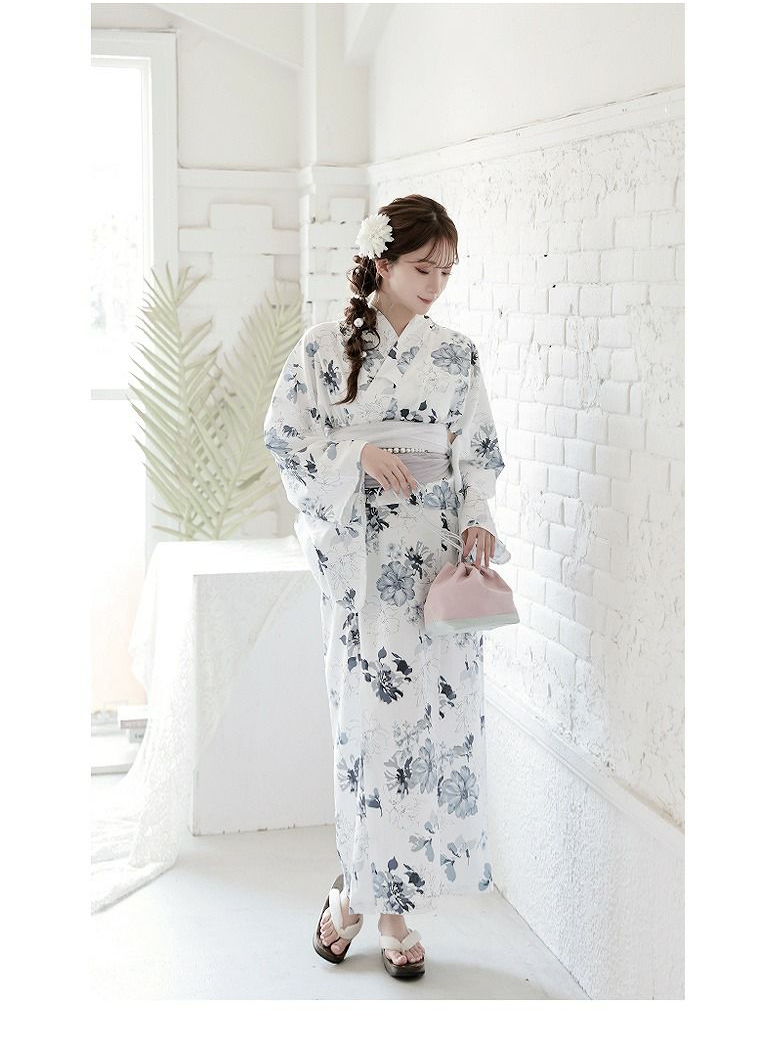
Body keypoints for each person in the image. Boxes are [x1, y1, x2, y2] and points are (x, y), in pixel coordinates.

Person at [262, 194, 510, 977]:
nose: (436, 284)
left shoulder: (456, 355)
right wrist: (357, 455)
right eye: (422, 268)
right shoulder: (323, 347)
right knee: (365, 733)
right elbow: (284, 436)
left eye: (446, 272)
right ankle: (355, 894)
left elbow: (478, 456)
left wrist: (477, 521)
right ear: (382, 262)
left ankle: (390, 908)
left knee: (423, 737)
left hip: (433, 565)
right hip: (362, 566)